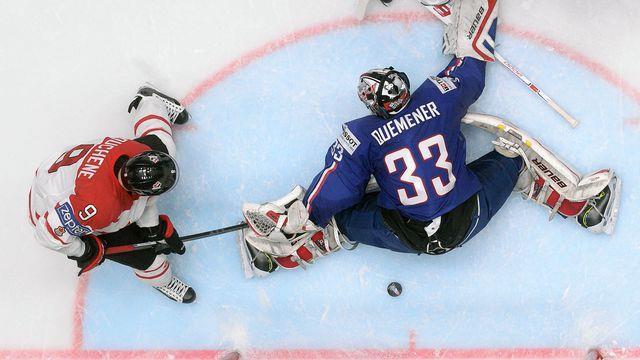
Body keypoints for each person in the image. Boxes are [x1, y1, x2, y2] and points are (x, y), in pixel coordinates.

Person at [237, 0, 620, 275]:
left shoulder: (360, 135)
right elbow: (470, 67)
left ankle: (284, 256)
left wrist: (301, 215)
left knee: (340, 218)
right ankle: (579, 207)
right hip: (469, 217)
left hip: (410, 236)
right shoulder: (438, 96)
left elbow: (336, 190)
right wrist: (473, 13)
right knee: (516, 157)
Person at [28, 85, 196, 303]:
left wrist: (152, 228)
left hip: (62, 172)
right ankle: (162, 280)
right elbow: (47, 233)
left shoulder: (136, 152)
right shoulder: (98, 208)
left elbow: (144, 198)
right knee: (151, 261)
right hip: (47, 202)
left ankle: (149, 100)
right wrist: (85, 250)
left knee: (165, 145)